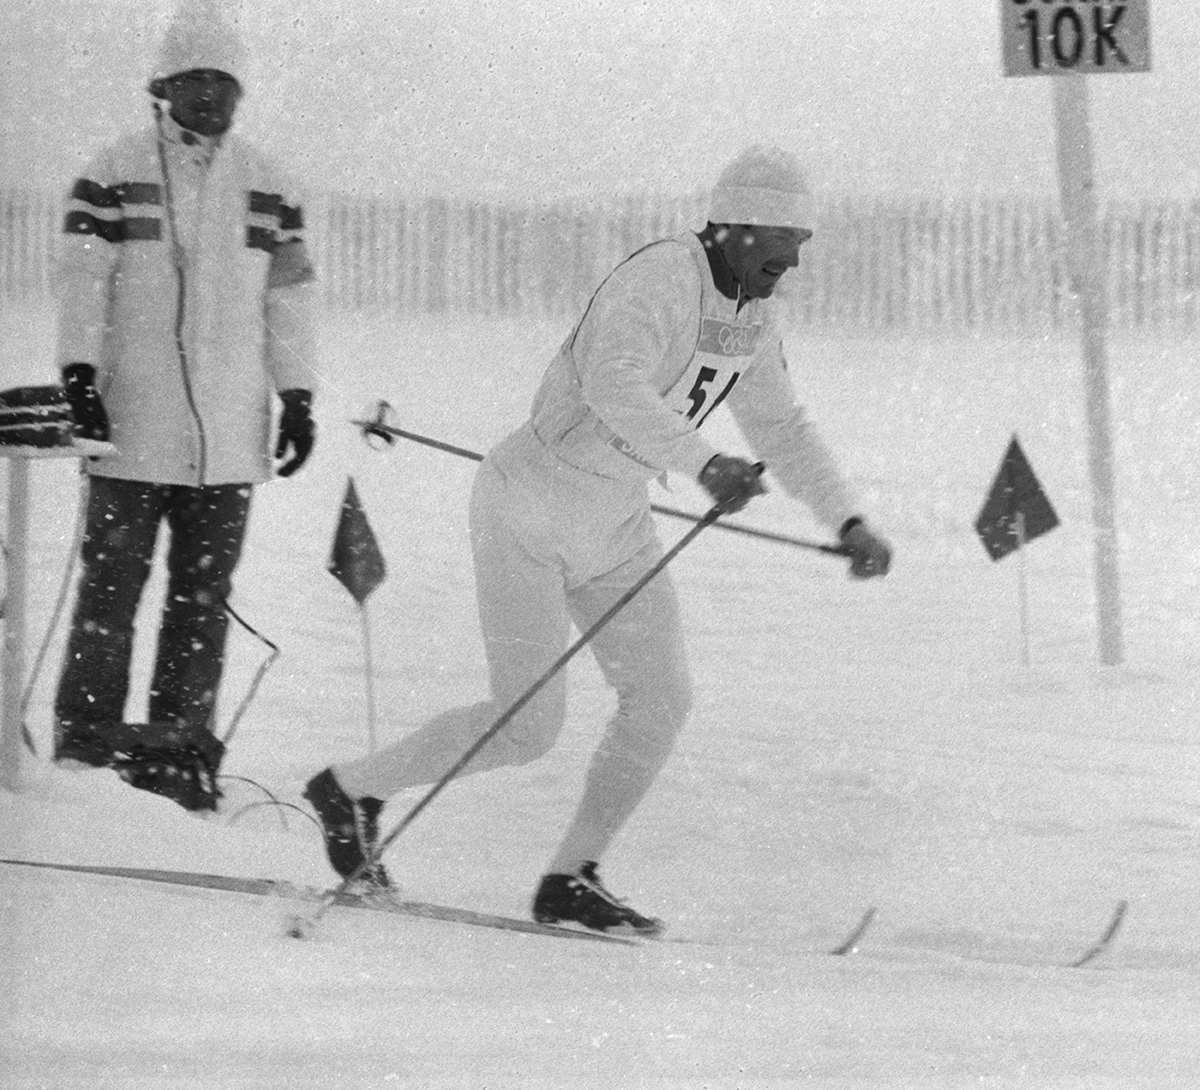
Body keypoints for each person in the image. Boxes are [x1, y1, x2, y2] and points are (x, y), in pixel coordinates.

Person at [304, 145, 891, 934]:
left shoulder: (755, 312)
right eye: (789, 240)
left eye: (803, 243)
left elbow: (782, 426)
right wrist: (706, 462)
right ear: (743, 225)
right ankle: (350, 789)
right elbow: (615, 386)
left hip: (617, 522)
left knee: (661, 700)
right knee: (527, 728)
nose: (795, 259)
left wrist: (846, 519)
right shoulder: (659, 280)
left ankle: (571, 875)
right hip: (528, 507)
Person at [52, 0, 318, 812]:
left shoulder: (268, 184)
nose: (210, 96)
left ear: (240, 93)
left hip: (230, 438)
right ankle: (84, 755)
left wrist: (298, 396)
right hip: (130, 426)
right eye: (195, 79)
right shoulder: (112, 168)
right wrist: (78, 379)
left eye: (224, 82)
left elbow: (291, 298)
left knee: (201, 602)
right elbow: (82, 281)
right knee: (111, 593)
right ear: (162, 85)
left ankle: (174, 758)